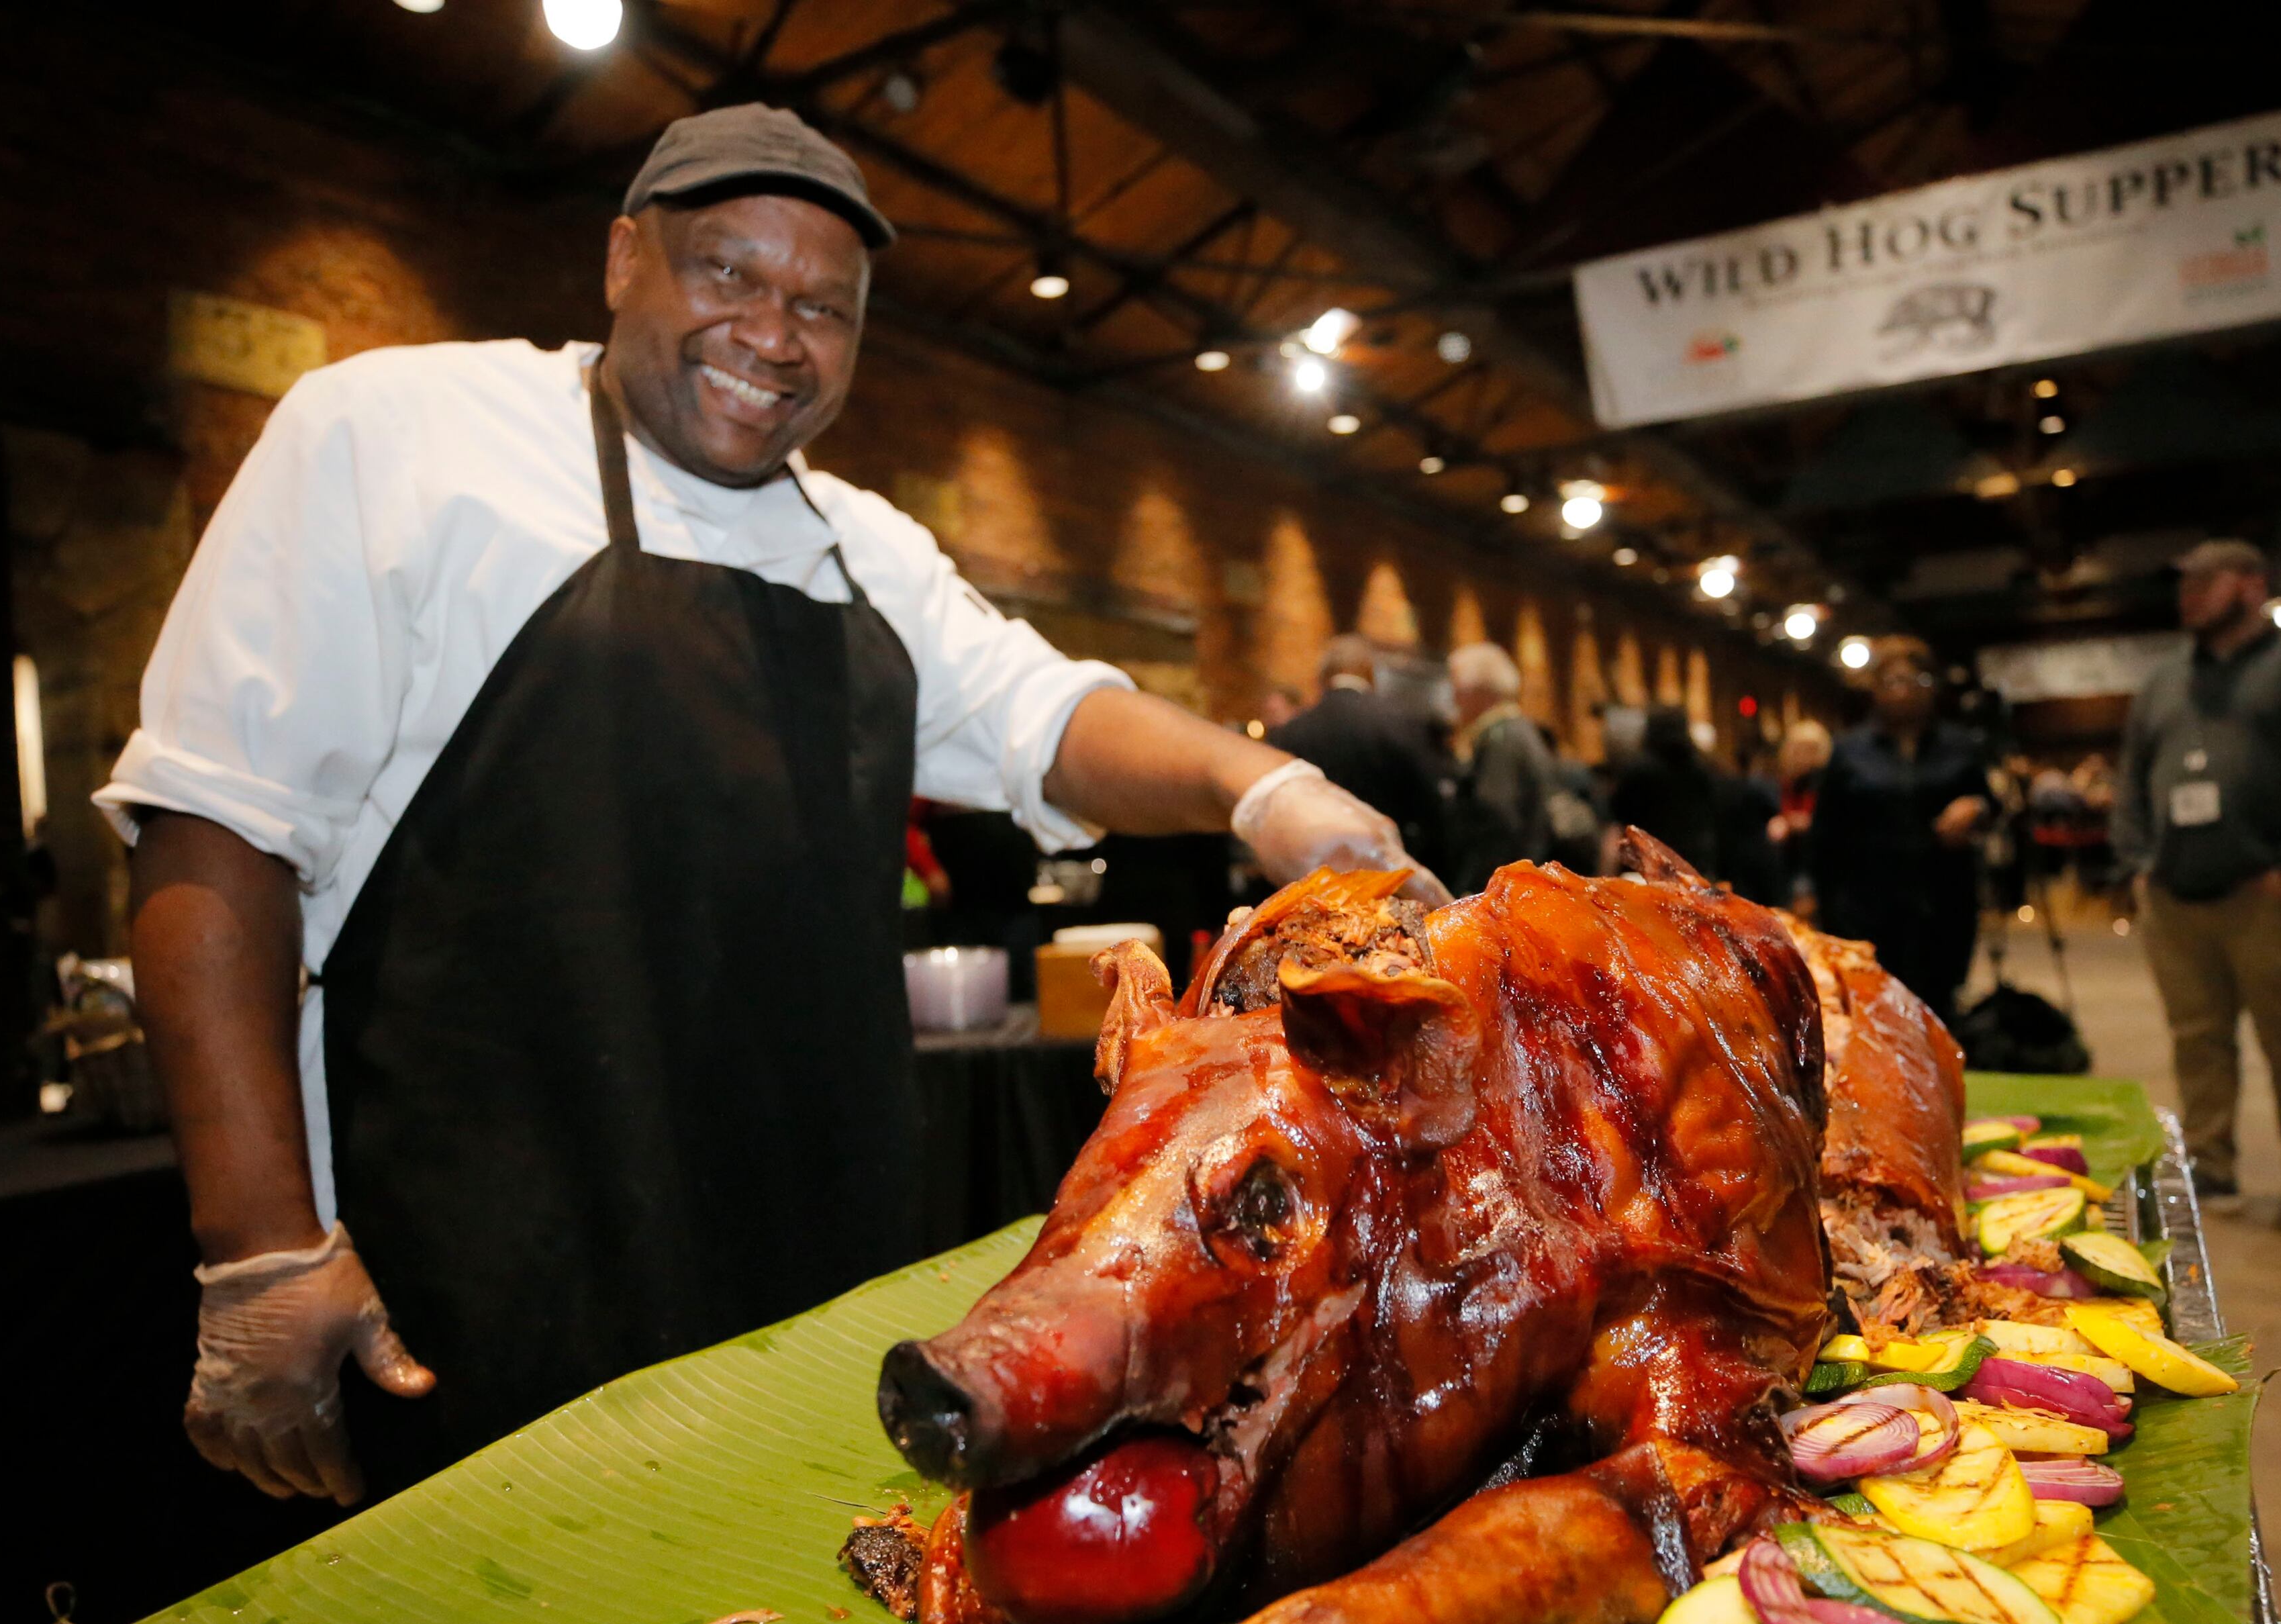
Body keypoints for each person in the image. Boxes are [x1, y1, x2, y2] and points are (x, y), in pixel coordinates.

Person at [103, 107, 1445, 1510]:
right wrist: (260, 1243)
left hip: (813, 1256)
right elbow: (213, 833)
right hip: (479, 1263)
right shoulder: (400, 437)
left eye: (823, 305)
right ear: (623, 259)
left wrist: (1264, 785)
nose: (774, 332)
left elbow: (1045, 721)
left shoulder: (862, 544)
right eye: (727, 272)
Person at [2111, 539, 2281, 1231]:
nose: (2188, 593)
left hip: (2268, 891)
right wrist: (2138, 861)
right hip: (2174, 893)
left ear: (2252, 585)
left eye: (2205, 579)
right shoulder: (2165, 682)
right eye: (2184, 581)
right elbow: (2133, 778)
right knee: (2196, 1037)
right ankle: (2211, 1165)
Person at [1808, 636, 1992, 1028]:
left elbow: (1992, 804)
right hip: (1867, 904)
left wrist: (1976, 809)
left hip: (1944, 897)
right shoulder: (1850, 751)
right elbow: (1825, 834)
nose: (1904, 691)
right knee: (1875, 1011)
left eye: (1915, 680)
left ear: (1931, 687)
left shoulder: (1960, 745)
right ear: (1876, 689)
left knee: (1939, 1007)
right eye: (1892, 681)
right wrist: (1821, 903)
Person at [1265, 635, 1451, 884]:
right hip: (1386, 880)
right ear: (1371, 674)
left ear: (1322, 677)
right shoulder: (1403, 726)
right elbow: (1432, 810)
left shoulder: (1290, 733)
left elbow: (1276, 815)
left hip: (1311, 882)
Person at [1610, 706, 1784, 904]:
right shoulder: (1706, 768)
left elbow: (1618, 823)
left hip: (1645, 869)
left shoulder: (1637, 771)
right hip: (1698, 865)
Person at [1446, 641, 1559, 893]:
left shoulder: (1500, 738)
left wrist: (1479, 888)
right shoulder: (1520, 729)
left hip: (1502, 887)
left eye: (1458, 689)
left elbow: (1496, 816)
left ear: (1481, 692)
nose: (1454, 699)